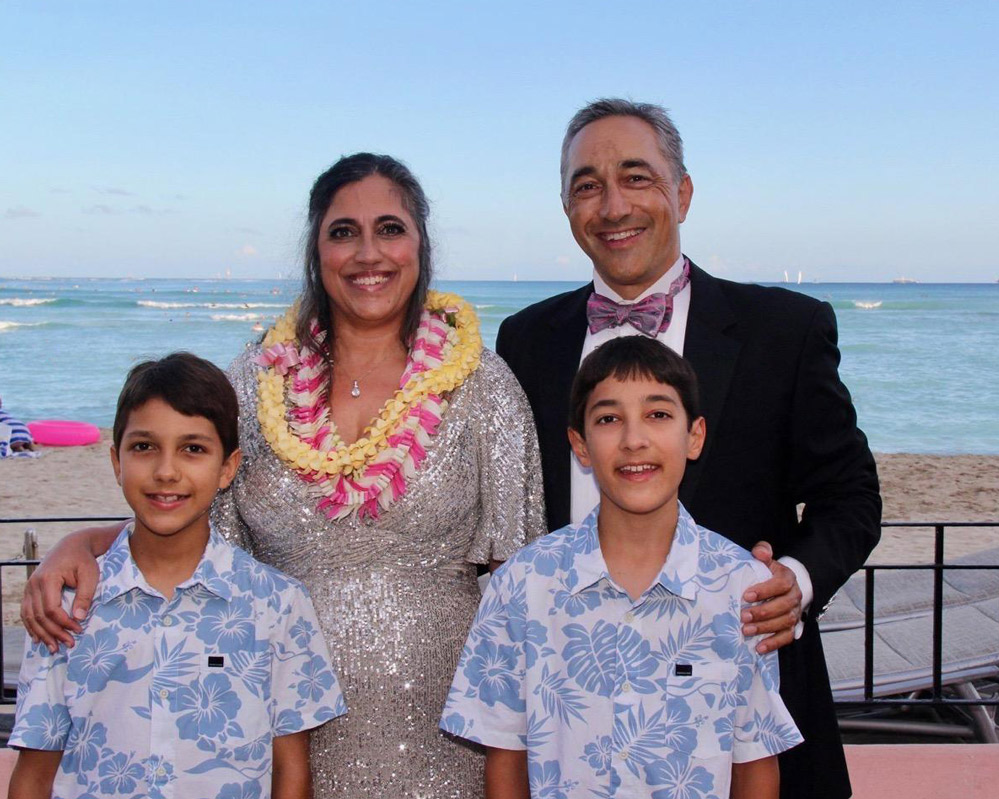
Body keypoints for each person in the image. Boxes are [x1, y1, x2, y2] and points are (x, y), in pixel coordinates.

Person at [21, 154, 546, 797]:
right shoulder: (252, 381)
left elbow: (525, 594)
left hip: (450, 740)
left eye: (390, 228)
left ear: (420, 245)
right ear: (315, 249)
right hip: (267, 741)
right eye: (342, 232)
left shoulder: (481, 385)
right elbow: (187, 529)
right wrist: (83, 545)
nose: (368, 253)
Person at [495, 99, 881, 798]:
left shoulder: (783, 330)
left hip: (742, 714)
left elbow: (850, 496)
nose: (613, 206)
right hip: (573, 724)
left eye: (637, 177)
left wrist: (794, 579)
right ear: (566, 206)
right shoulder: (525, 340)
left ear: (684, 192)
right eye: (587, 185)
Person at [441, 337, 801, 799]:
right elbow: (506, 757)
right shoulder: (523, 583)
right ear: (580, 444)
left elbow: (754, 757)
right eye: (609, 419)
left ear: (695, 436)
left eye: (659, 415)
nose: (634, 440)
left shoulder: (742, 587)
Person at [7, 353, 346, 799]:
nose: (166, 471)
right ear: (116, 462)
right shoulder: (66, 606)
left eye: (193, 449)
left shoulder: (277, 603)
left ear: (227, 468)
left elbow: (291, 770)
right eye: (144, 447)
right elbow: (34, 771)